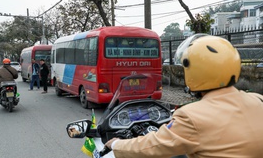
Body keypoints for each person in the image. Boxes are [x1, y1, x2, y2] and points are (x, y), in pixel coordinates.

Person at [105, 35, 263, 158]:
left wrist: (116, 144)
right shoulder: (257, 100)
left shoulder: (191, 116)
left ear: (192, 70)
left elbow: (152, 146)